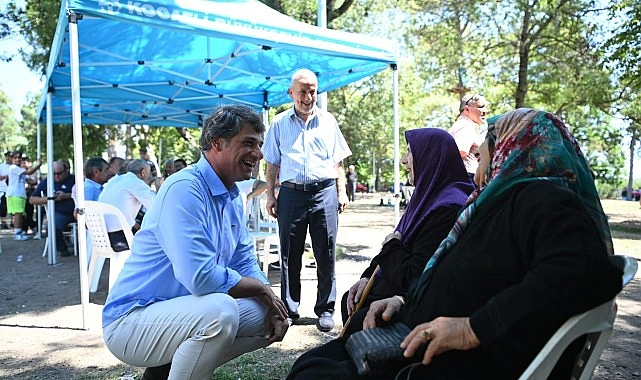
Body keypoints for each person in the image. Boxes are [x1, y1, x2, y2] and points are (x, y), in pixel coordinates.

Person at [287, 108, 623, 379]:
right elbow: (480, 279)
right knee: (317, 363)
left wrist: (472, 329)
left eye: (490, 138)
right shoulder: (504, 202)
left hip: (458, 360)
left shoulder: (546, 199)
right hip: (419, 340)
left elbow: (586, 272)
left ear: (518, 146)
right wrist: (404, 301)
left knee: (314, 370)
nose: (477, 150)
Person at [102, 104, 288, 380]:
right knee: (220, 312)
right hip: (131, 321)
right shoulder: (185, 189)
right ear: (217, 143)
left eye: (259, 145)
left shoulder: (233, 195)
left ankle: (164, 372)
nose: (259, 154)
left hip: (182, 312)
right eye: (249, 143)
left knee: (270, 315)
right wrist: (260, 289)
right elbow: (201, 278)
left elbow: (244, 259)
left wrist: (270, 298)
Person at [341, 128, 474, 333]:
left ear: (430, 157)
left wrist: (391, 245)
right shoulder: (428, 196)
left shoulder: (448, 207)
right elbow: (398, 241)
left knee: (360, 317)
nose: (404, 160)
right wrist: (367, 276)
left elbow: (414, 273)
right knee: (351, 298)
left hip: (411, 302)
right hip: (396, 285)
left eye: (410, 152)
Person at [263, 68, 351, 332]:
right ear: (291, 93)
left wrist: (342, 190)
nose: (308, 96)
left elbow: (338, 162)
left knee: (325, 252)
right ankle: (290, 309)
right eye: (302, 91)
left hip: (324, 192)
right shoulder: (278, 123)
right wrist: (270, 194)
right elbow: (271, 164)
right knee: (290, 254)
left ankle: (325, 309)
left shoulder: (328, 121)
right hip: (290, 194)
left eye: (312, 91)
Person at [98, 159, 155, 250]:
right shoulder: (135, 182)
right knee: (156, 244)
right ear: (143, 172)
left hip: (100, 236)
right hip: (119, 238)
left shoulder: (115, 180)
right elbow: (156, 205)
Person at [29, 160, 74, 255]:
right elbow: (32, 199)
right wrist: (49, 198)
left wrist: (66, 196)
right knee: (51, 225)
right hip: (60, 214)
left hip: (77, 211)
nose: (57, 176)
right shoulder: (47, 181)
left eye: (60, 173)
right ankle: (62, 249)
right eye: (54, 174)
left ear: (67, 171)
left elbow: (84, 193)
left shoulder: (74, 179)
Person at [448, 93, 489, 179]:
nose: (485, 111)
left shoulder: (461, 125)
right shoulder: (465, 125)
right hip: (467, 178)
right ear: (466, 110)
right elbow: (460, 151)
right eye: (481, 107)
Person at [0, 151, 12, 229]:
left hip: (12, 190)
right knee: (3, 207)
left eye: (10, 156)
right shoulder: (1, 166)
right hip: (3, 189)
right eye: (7, 156)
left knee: (11, 207)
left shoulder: (14, 167)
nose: (8, 158)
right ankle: (3, 222)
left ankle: (12, 222)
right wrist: (8, 176)